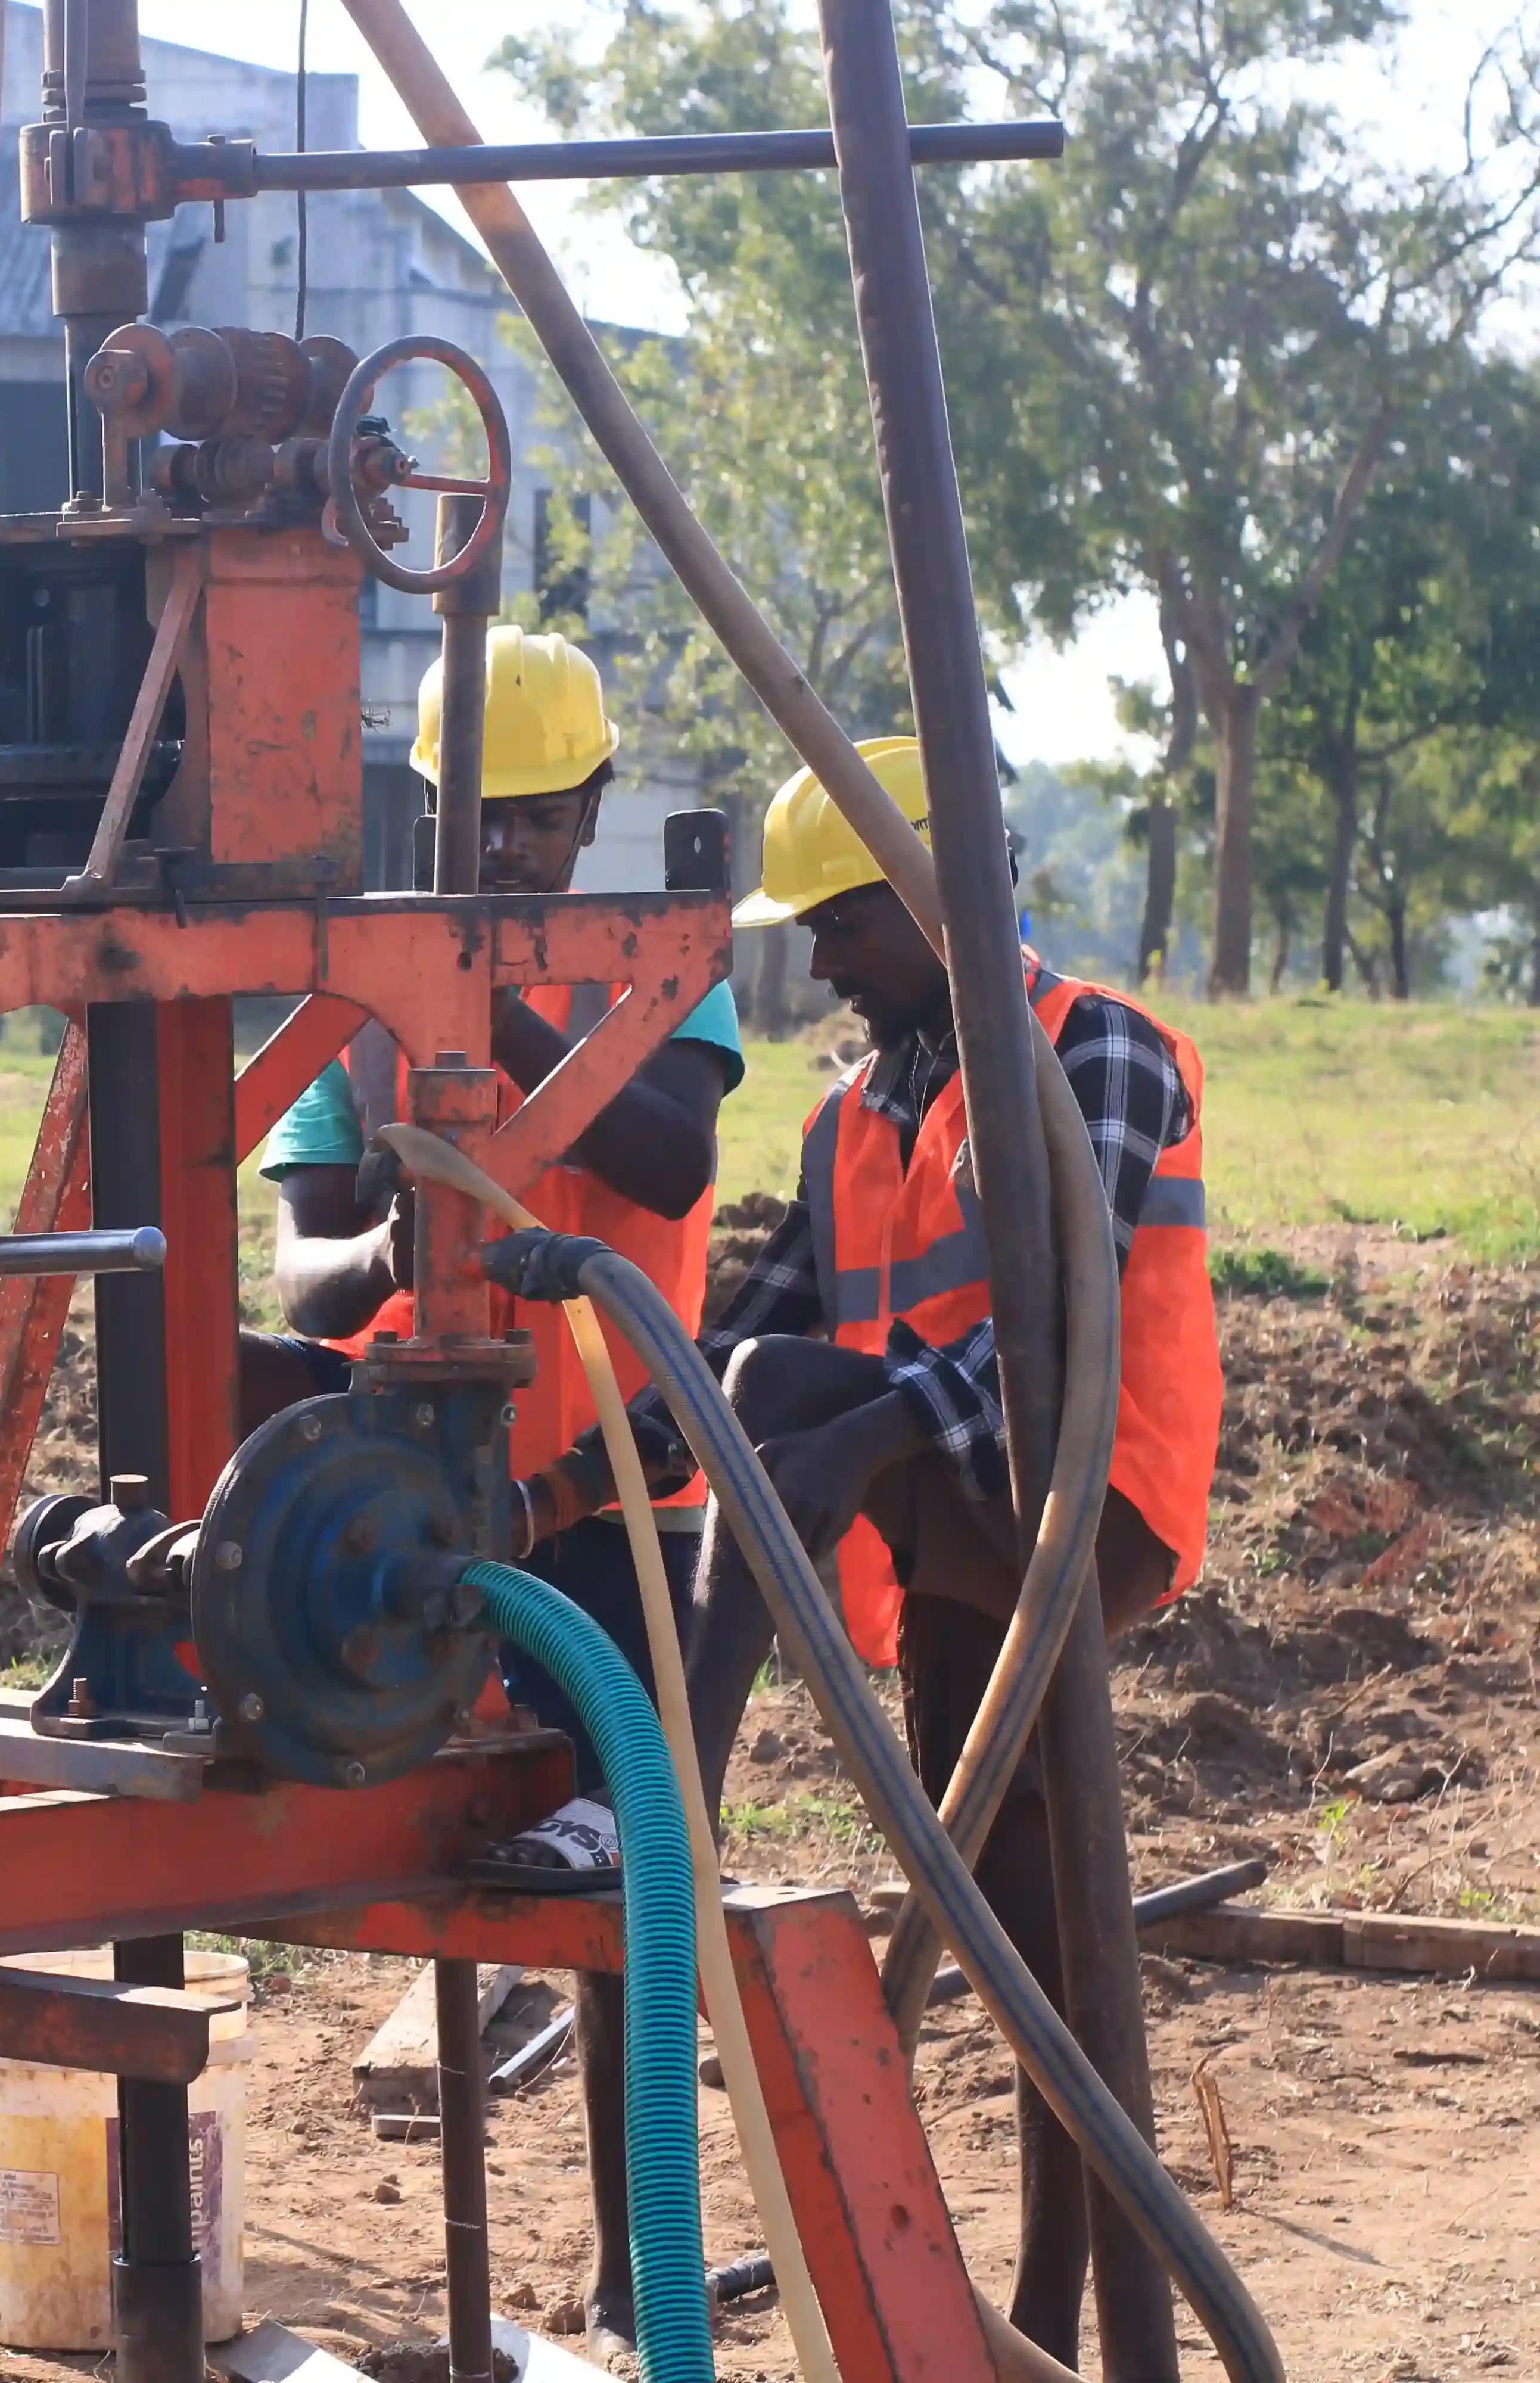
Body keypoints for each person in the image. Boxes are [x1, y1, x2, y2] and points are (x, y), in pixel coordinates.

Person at [662, 734, 1218, 2368]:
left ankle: (671, 1802)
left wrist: (859, 1439)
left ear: (933, 894)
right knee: (1020, 1942)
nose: (820, 957)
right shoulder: (859, 1113)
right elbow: (738, 1343)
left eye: (842, 922)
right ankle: (1048, 2310)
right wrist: (573, 1464)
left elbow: (1066, 1326)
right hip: (942, 1535)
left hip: (1080, 1506)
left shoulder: (1091, 1055)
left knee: (1045, 1934)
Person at [247, 624, 741, 2356]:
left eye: (542, 819)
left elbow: (669, 1151)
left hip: (609, 1495)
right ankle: (192, 1657)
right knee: (223, 1375)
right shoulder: (353, 1000)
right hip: (405, 1495)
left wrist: (482, 1008)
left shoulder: (665, 972)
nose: (513, 851)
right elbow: (304, 1263)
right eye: (481, 819)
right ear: (427, 806)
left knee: (626, 1906)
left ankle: (632, 2265)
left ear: (596, 806)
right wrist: (399, 1222)